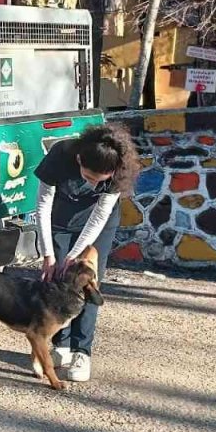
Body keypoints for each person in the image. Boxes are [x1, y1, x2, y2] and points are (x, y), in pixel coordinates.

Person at [32, 123, 140, 382]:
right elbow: (43, 203)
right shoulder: (61, 154)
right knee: (56, 280)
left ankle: (82, 351)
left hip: (97, 226)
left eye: (99, 181)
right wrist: (49, 253)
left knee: (86, 284)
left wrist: (77, 253)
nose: (93, 185)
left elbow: (100, 214)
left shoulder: (119, 170)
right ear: (79, 159)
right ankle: (62, 345)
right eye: (88, 177)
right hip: (61, 217)